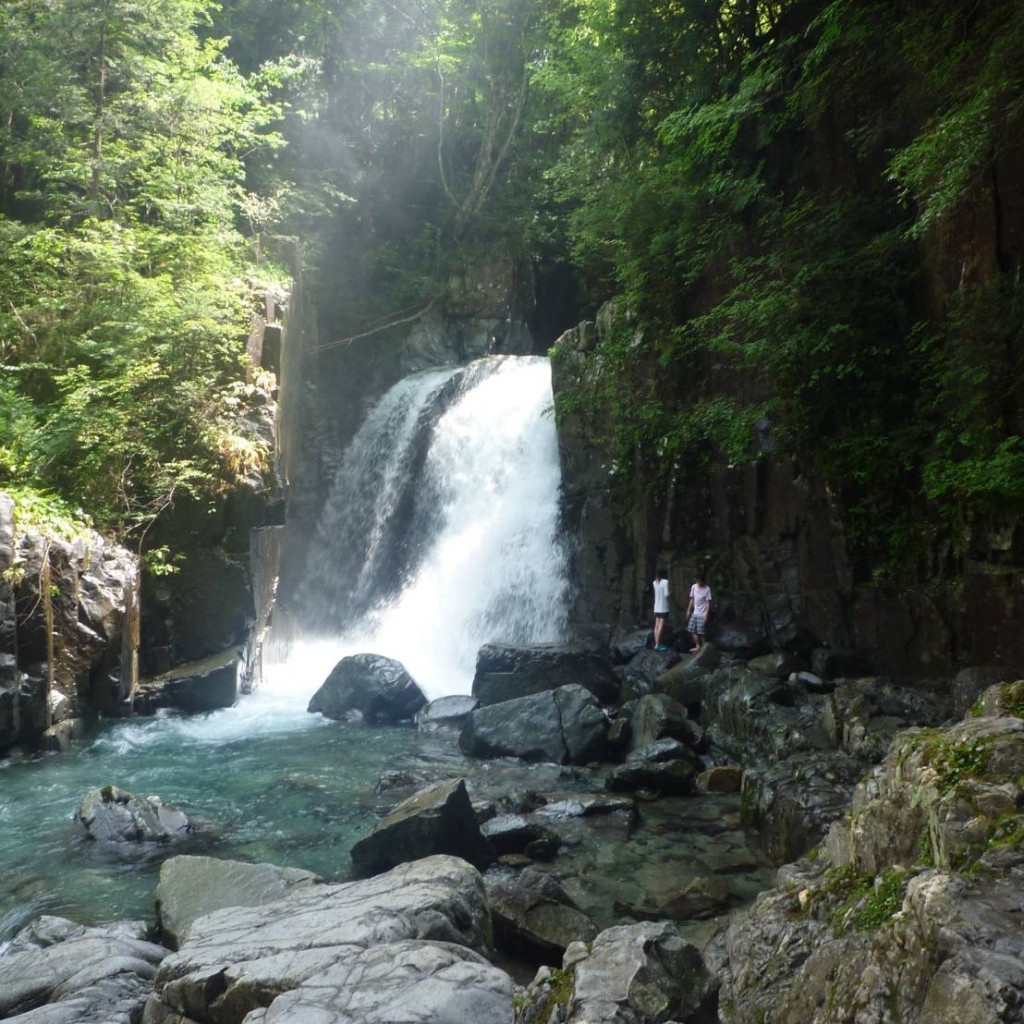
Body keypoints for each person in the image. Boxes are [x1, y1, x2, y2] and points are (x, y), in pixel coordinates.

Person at [686, 572, 712, 652]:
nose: (699, 583)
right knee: (691, 629)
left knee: (702, 632)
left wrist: (706, 615)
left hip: (702, 613)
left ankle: (705, 647)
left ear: (703, 581)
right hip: (695, 612)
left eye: (700, 581)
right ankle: (698, 646)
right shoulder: (694, 587)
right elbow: (692, 599)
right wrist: (688, 610)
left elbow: (708, 603)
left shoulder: (707, 589)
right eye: (698, 581)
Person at [652, 569, 670, 651]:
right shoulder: (665, 582)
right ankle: (657, 644)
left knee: (656, 625)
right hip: (663, 607)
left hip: (656, 607)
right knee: (660, 626)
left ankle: (656, 643)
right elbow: (666, 594)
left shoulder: (654, 582)